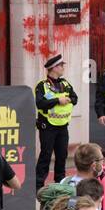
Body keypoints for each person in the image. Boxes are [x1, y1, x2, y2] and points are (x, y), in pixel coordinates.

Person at [34, 54, 78, 191]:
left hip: (62, 126)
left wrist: (68, 100)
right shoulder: (42, 86)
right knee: (45, 155)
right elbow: (40, 103)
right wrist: (58, 101)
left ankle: (61, 183)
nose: (63, 68)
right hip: (48, 126)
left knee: (62, 155)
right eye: (61, 65)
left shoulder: (65, 83)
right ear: (53, 68)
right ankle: (38, 185)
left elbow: (75, 98)